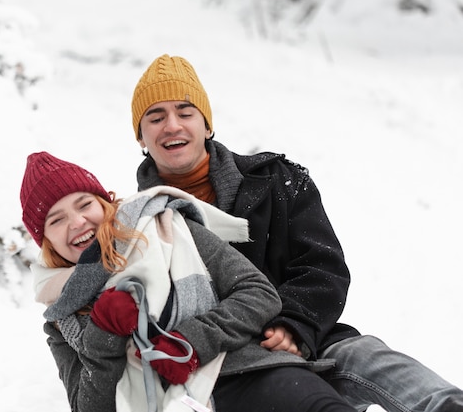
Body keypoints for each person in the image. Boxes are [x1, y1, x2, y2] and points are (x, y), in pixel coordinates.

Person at [130, 53, 463, 412]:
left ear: (207, 125)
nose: (173, 125)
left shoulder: (276, 180)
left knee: (368, 356)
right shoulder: (140, 223)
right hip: (227, 366)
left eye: (185, 111)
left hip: (307, 332)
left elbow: (323, 268)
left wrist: (294, 325)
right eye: (156, 117)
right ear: (141, 137)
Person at [20, 151, 356, 412]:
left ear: (105, 203)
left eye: (84, 204)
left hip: (243, 374)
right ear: (45, 239)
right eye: (57, 219)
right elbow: (89, 407)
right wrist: (103, 333)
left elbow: (258, 294)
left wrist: (189, 343)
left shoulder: (167, 226)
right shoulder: (62, 319)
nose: (78, 222)